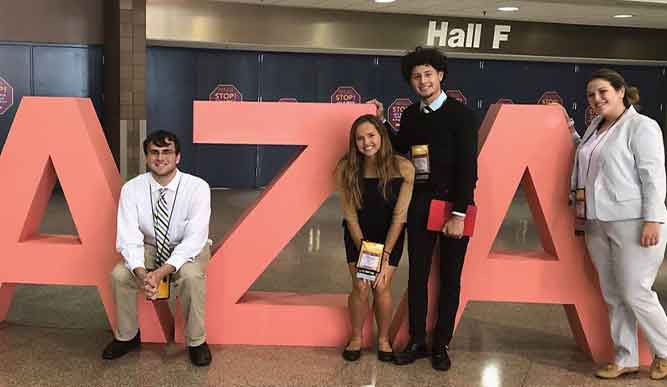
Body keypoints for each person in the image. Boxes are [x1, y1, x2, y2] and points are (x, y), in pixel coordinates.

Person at [369, 46, 478, 371]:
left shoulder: (461, 115)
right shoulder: (412, 115)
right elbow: (401, 148)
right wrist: (382, 123)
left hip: (454, 207)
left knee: (450, 278)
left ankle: (441, 344)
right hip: (420, 205)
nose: (423, 80)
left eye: (428, 74)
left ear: (440, 75)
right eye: (416, 76)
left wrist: (459, 212)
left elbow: (468, 167)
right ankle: (417, 340)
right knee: (416, 275)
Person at [566, 68, 667, 380]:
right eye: (590, 95)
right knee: (613, 294)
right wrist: (568, 129)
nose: (596, 100)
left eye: (602, 92)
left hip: (634, 221)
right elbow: (587, 155)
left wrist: (654, 219)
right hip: (596, 221)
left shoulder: (641, 127)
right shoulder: (597, 127)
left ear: (621, 91)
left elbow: (653, 177)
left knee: (635, 291)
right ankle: (625, 358)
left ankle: (665, 352)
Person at [102, 130, 213, 367]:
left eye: (167, 152)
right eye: (154, 152)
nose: (160, 158)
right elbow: (128, 237)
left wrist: (161, 272)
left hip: (188, 248)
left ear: (178, 157)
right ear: (146, 157)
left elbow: (195, 239)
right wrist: (143, 273)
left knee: (191, 276)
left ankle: (196, 341)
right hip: (150, 245)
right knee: (120, 274)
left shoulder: (198, 188)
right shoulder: (131, 189)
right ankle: (127, 337)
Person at [335, 114, 415, 362]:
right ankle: (356, 337)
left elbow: (399, 218)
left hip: (389, 235)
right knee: (360, 285)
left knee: (381, 285)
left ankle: (383, 339)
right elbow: (351, 218)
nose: (366, 142)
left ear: (381, 135)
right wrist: (367, 256)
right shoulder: (345, 168)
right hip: (358, 235)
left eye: (371, 135)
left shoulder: (403, 168)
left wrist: (384, 256)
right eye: (359, 138)